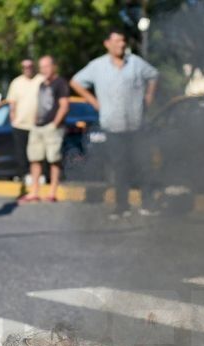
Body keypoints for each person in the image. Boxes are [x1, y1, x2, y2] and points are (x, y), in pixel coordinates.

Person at [70, 28, 159, 219]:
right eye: (117, 41)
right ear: (107, 44)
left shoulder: (135, 63)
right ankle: (122, 206)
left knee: (144, 164)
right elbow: (76, 82)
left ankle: (148, 203)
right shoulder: (97, 66)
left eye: (123, 41)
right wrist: (93, 101)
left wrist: (149, 96)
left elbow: (153, 75)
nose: (121, 44)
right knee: (120, 167)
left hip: (136, 124)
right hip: (112, 125)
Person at [20, 55, 69, 203]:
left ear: (54, 67)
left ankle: (52, 191)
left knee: (54, 159)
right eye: (41, 67)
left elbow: (64, 105)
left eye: (46, 66)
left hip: (52, 127)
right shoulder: (42, 84)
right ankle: (35, 191)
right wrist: (35, 119)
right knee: (35, 158)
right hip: (38, 126)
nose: (44, 70)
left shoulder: (60, 83)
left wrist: (55, 123)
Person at [5, 58, 39, 185]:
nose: (28, 69)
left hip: (37, 125)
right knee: (22, 154)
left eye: (30, 66)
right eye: (25, 67)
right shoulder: (16, 82)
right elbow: (12, 104)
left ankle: (39, 176)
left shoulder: (40, 80)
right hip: (20, 125)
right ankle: (25, 176)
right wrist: (13, 119)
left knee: (37, 154)